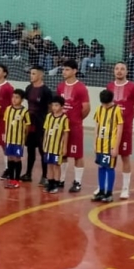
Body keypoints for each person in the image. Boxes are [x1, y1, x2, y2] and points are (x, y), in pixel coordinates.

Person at [107, 62, 134, 199]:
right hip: (111, 128)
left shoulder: (133, 87)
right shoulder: (110, 86)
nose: (119, 71)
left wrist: (128, 119)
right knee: (109, 156)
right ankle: (106, 186)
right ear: (113, 71)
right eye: (117, 68)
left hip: (125, 128)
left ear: (127, 71)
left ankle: (125, 188)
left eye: (122, 69)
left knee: (125, 157)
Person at [56, 59, 90, 193]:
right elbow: (57, 105)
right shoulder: (60, 87)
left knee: (77, 155)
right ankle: (61, 179)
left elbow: (86, 108)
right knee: (62, 153)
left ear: (75, 71)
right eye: (63, 69)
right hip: (61, 126)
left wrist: (77, 119)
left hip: (75, 127)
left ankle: (77, 182)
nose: (64, 72)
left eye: (67, 69)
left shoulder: (81, 88)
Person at [91, 89, 124, 203]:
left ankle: (109, 193)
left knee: (109, 168)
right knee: (101, 167)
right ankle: (101, 191)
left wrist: (116, 147)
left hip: (110, 146)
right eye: (103, 104)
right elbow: (97, 126)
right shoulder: (99, 109)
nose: (105, 106)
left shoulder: (117, 110)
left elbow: (119, 129)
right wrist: (95, 142)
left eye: (107, 104)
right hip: (100, 144)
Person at [23, 66, 53, 183]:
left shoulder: (46, 91)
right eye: (31, 73)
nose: (31, 76)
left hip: (41, 123)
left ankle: (44, 176)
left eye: (34, 73)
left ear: (41, 75)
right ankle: (28, 173)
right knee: (30, 149)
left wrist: (47, 123)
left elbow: (50, 108)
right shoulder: (28, 88)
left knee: (42, 150)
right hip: (30, 123)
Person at [2, 89, 31, 189]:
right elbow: (6, 122)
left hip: (18, 140)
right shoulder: (8, 109)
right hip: (9, 139)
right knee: (10, 158)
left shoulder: (24, 111)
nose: (14, 99)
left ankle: (16, 180)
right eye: (13, 97)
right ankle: (11, 179)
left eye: (17, 97)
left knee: (17, 158)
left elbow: (27, 125)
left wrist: (25, 137)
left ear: (22, 100)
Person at [41, 95, 70, 193]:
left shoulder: (64, 118)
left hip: (57, 147)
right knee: (49, 165)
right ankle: (50, 183)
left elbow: (65, 133)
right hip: (48, 146)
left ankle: (56, 185)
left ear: (62, 106)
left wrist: (64, 147)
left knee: (56, 166)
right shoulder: (49, 116)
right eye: (53, 105)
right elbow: (46, 130)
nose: (54, 107)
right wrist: (44, 142)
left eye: (56, 105)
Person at [0, 64, 15, 177]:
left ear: (4, 73)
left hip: (3, 121)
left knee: (4, 144)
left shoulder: (8, 88)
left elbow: (13, 104)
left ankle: (8, 168)